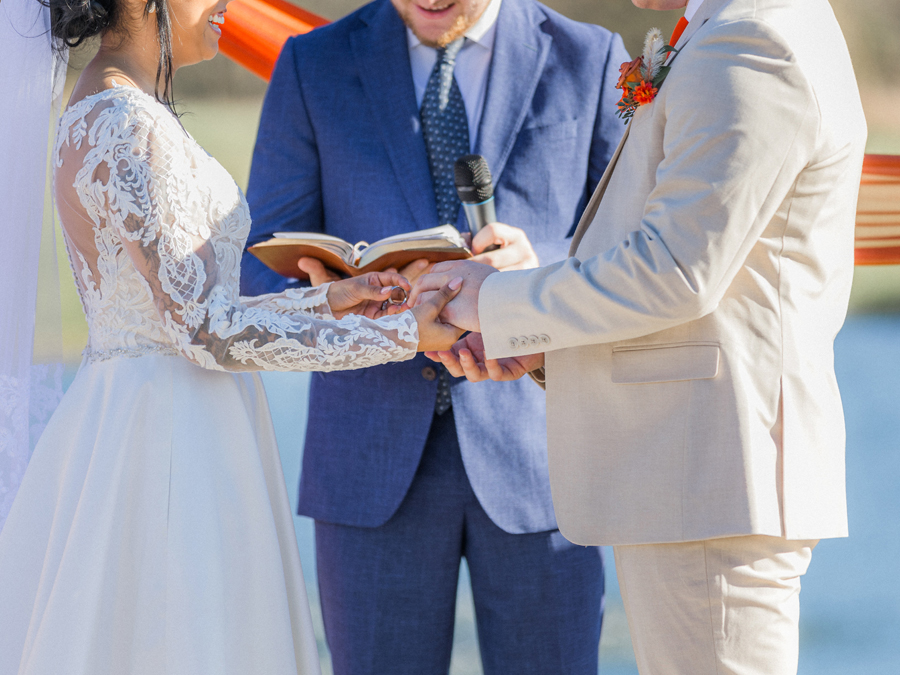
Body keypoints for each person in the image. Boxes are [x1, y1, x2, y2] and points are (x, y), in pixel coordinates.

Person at [0, 0, 464, 671]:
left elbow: (202, 306)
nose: (226, 3)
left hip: (180, 412)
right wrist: (399, 333)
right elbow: (205, 329)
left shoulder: (128, 107)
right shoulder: (121, 121)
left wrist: (333, 298)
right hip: (166, 441)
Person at [413, 0, 867, 673]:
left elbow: (676, 269)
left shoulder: (753, 42)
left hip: (709, 481)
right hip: (696, 479)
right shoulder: (748, 26)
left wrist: (497, 300)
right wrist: (544, 320)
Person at [240, 0, 628, 672]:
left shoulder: (590, 60)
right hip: (368, 463)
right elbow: (260, 277)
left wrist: (541, 272)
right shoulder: (313, 64)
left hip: (545, 465)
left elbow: (634, 256)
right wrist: (356, 304)